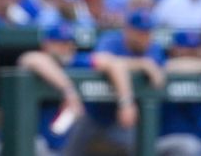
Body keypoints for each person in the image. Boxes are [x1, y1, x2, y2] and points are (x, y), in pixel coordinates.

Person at [18, 23, 137, 156]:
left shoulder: (78, 62)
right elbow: (32, 59)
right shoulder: (39, 60)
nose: (66, 47)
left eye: (69, 43)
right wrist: (69, 92)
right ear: (46, 46)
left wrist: (125, 103)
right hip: (33, 143)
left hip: (64, 145)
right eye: (59, 43)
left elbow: (115, 63)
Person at [62, 9, 165, 156]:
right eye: (141, 33)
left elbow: (158, 70)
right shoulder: (111, 41)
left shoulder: (154, 48)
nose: (145, 37)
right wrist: (142, 64)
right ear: (128, 31)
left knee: (134, 143)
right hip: (95, 113)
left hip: (125, 120)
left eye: (148, 33)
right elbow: (105, 61)